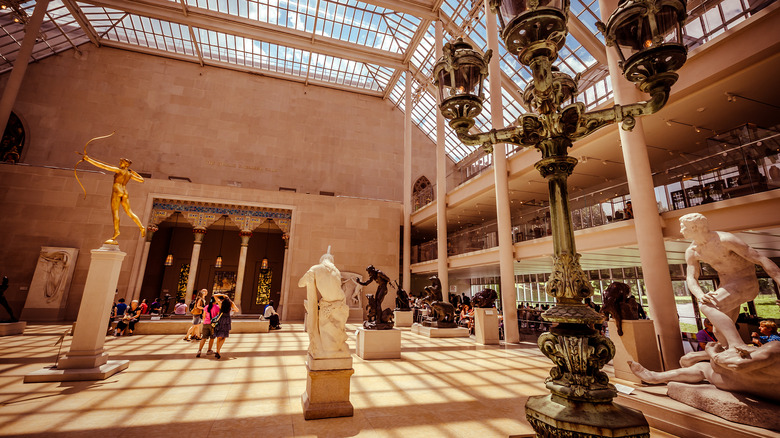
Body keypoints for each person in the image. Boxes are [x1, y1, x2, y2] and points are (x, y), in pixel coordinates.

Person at [681, 212, 780, 349]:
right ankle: (731, 355)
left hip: (745, 283)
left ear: (695, 227)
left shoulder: (725, 240)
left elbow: (760, 259)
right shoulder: (692, 251)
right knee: (718, 331)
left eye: (683, 227)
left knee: (708, 306)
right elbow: (691, 277)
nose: (681, 231)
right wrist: (700, 294)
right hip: (726, 287)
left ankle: (737, 344)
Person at [78, 152, 145, 244]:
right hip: (125, 191)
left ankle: (116, 232)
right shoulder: (129, 174)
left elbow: (103, 166)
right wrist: (134, 172)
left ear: (125, 164)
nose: (119, 164)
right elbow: (141, 180)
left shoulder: (119, 170)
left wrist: (88, 159)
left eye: (121, 162)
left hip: (117, 190)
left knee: (115, 213)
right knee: (129, 212)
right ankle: (141, 226)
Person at [212, 293, 239, 359]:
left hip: (221, 319)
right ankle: (218, 350)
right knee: (223, 337)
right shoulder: (231, 303)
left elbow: (214, 295)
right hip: (227, 319)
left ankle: (217, 350)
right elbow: (237, 310)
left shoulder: (220, 303)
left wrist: (223, 295)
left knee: (218, 336)